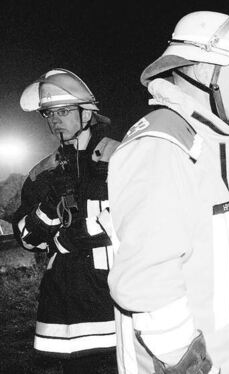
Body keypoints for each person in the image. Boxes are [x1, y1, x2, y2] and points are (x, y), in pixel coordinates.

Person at [106, 10, 229, 374]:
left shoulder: (202, 142)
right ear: (206, 71)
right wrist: (190, 366)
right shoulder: (161, 146)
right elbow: (149, 286)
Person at [13, 68, 119, 373]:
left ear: (87, 113)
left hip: (118, 298)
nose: (54, 119)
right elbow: (26, 239)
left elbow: (146, 215)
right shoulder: (42, 174)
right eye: (48, 114)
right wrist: (48, 208)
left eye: (63, 111)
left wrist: (85, 230)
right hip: (67, 306)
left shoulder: (122, 156)